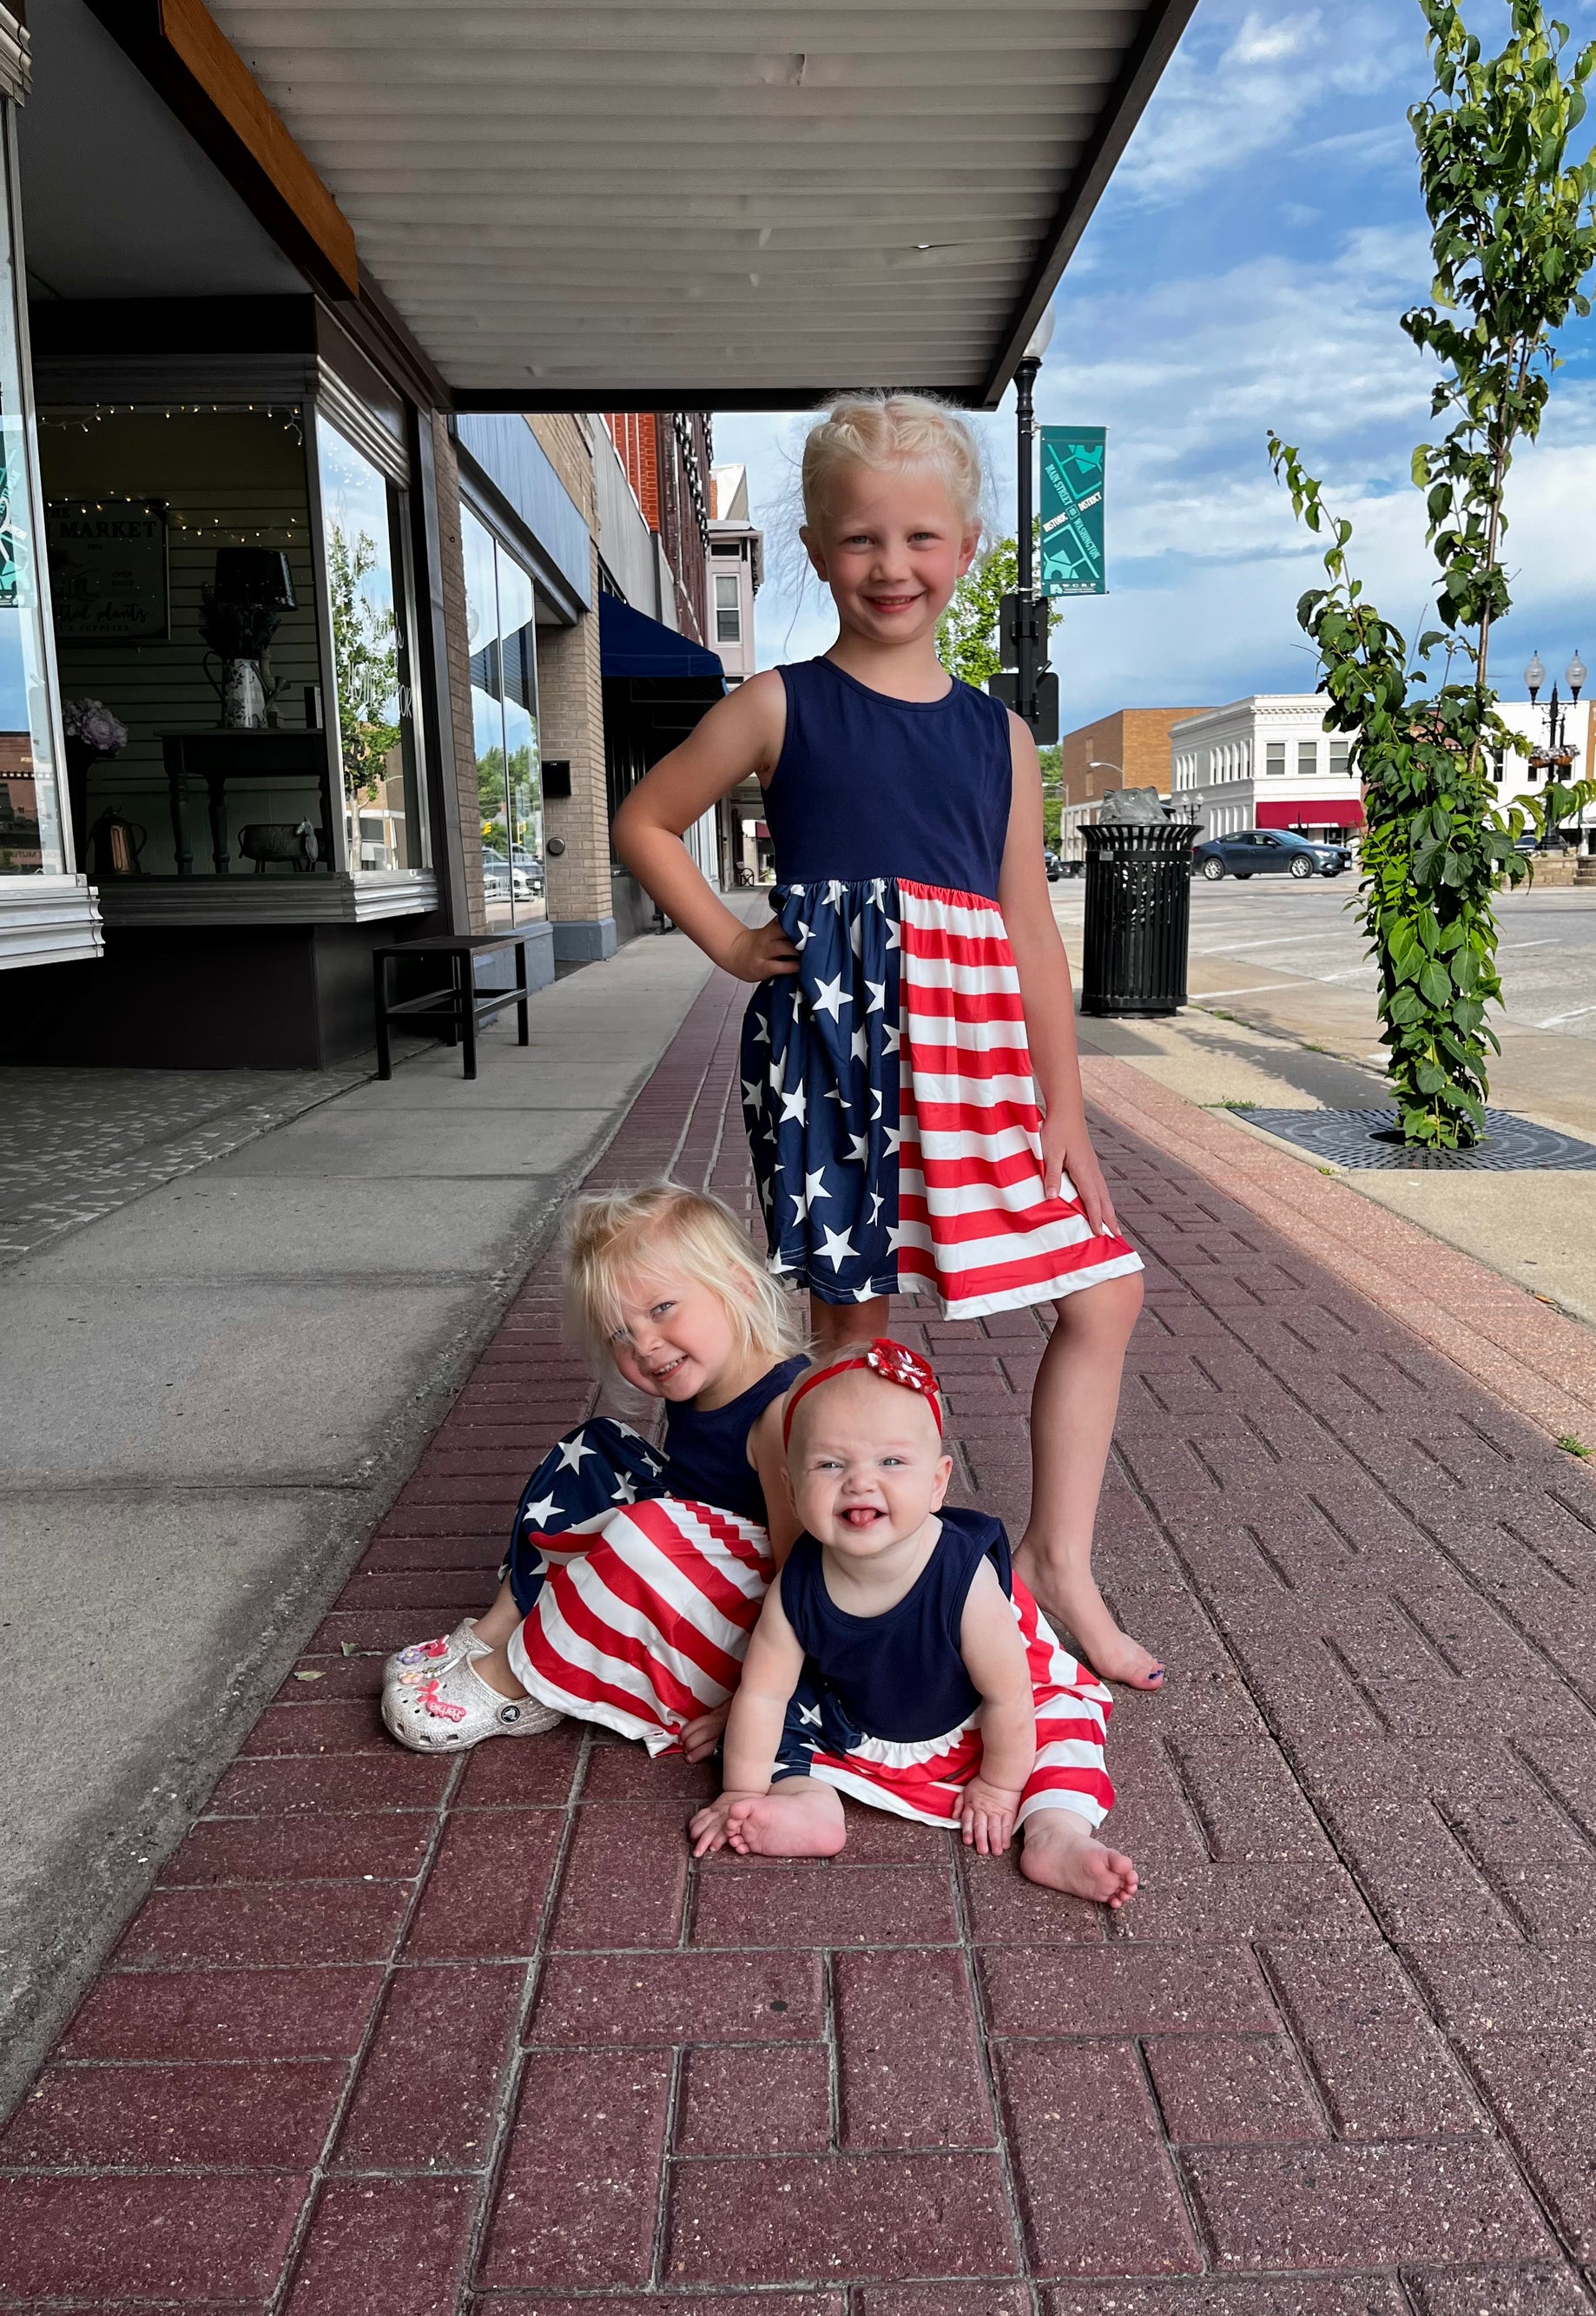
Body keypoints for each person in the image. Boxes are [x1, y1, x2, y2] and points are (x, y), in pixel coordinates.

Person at [613, 393, 1157, 1689]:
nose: (893, 565)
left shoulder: (1000, 735)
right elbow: (646, 819)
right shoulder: (780, 703)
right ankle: (836, 1618)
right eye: (862, 540)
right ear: (814, 547)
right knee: (849, 1345)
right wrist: (735, 944)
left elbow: (1030, 923)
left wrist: (1064, 1104)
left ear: (966, 547)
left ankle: (1058, 1561)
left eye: (922, 536)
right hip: (837, 1066)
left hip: (976, 1069)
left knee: (1107, 1289)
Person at [689, 1339, 1138, 1908]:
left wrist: (999, 1787)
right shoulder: (798, 1584)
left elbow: (1008, 1694)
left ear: (937, 1481)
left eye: (891, 1461)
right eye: (830, 1463)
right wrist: (740, 1791)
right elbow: (763, 1691)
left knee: (1063, 1725)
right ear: (792, 1487)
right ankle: (808, 1806)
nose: (860, 1482)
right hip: (858, 1726)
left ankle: (1056, 1834)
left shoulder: (961, 1576)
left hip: (983, 1726)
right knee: (766, 1728)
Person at [383, 1183, 807, 1757]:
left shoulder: (782, 1413)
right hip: (694, 1569)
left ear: (738, 1284)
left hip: (744, 1633)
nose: (647, 1346)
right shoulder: (703, 1372)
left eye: (661, 1309)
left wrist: (756, 1698)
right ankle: (502, 1625)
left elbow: (802, 1576)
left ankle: (522, 1678)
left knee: (648, 1531)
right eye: (621, 1334)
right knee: (595, 1447)